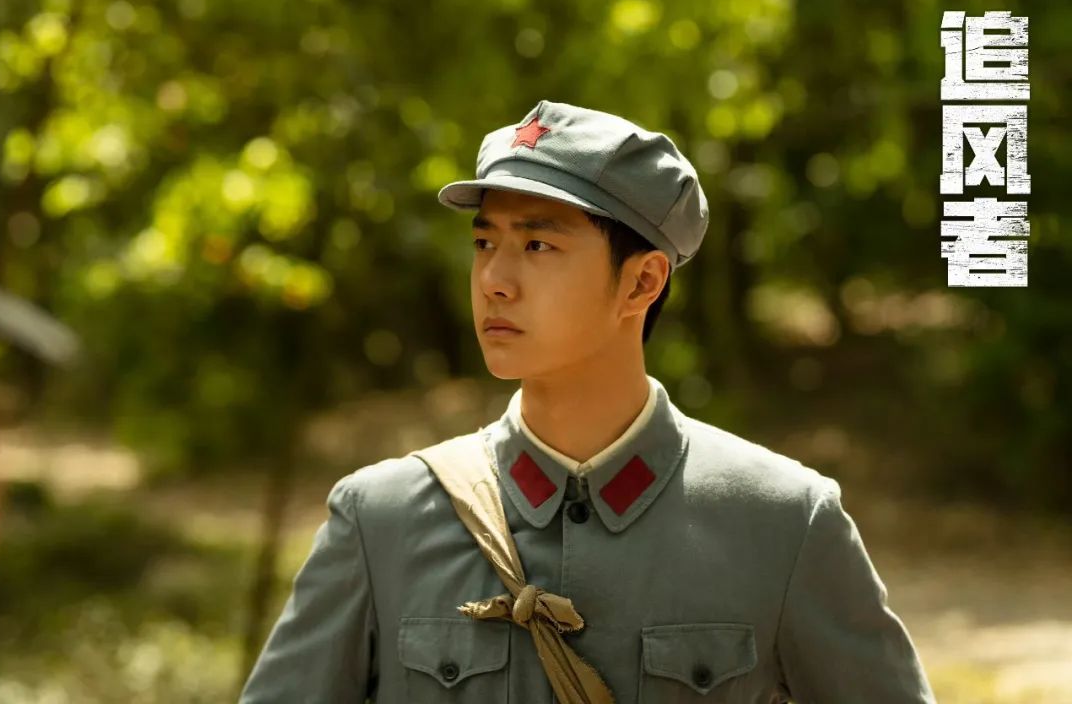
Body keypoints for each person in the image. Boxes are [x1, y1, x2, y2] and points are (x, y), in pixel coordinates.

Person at [239, 100, 936, 703]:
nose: (494, 280)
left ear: (642, 283)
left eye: (538, 244)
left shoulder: (782, 525)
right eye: (484, 242)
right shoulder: (380, 523)